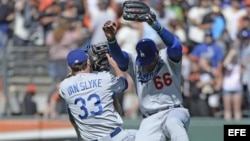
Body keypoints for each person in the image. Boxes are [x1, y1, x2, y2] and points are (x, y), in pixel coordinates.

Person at [102, 5, 190, 141]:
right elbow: (119, 57)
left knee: (173, 123)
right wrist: (112, 40)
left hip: (174, 110)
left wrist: (156, 26)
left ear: (157, 54)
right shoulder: (134, 62)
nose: (147, 64)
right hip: (150, 119)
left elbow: (176, 46)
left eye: (149, 60)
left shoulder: (167, 57)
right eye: (144, 61)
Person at [59, 48, 137, 141]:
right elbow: (123, 84)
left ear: (69, 68)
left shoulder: (64, 85)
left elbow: (63, 94)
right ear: (88, 61)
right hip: (115, 137)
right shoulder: (104, 77)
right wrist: (115, 65)